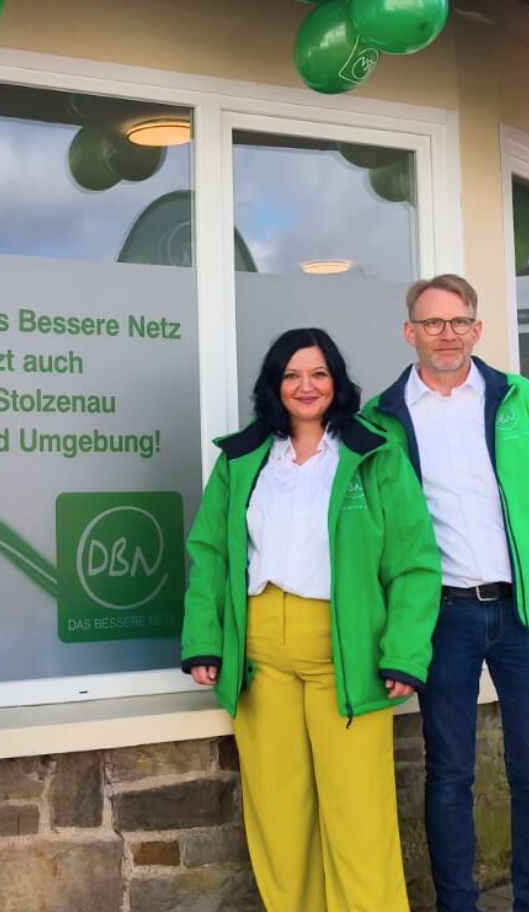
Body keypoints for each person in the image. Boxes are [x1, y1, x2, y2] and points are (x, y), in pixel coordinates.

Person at [181, 327, 440, 912]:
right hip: (260, 658)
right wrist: (204, 640)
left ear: (336, 382)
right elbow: (210, 552)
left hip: (345, 658)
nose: (306, 386)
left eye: (318, 374)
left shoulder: (374, 456)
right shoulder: (243, 459)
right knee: (279, 815)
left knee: (358, 817)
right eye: (292, 375)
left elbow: (414, 563)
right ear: (275, 384)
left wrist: (404, 652)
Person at [363, 274, 529, 912]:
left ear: (477, 328)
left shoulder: (518, 398)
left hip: (527, 613)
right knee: (449, 774)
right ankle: (456, 904)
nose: (448, 334)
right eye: (433, 323)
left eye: (459, 321)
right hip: (442, 617)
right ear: (410, 332)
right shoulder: (382, 418)